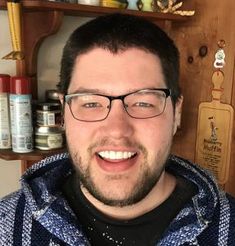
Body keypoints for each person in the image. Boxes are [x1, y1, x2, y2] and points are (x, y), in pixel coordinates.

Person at [0, 13, 235, 246]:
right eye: (91, 103)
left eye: (143, 103)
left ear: (177, 113)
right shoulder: (6, 227)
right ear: (64, 113)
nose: (116, 130)